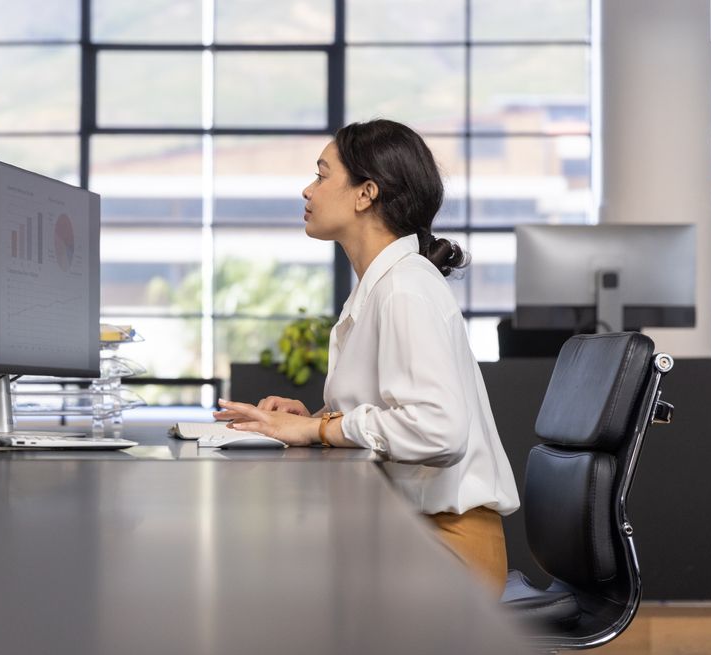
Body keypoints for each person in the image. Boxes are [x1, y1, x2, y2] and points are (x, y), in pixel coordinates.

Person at [214, 119, 520, 594]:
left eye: (320, 175)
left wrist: (320, 429)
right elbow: (390, 414)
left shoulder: (404, 289)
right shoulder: (383, 286)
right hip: (411, 531)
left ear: (365, 194)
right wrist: (312, 421)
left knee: (262, 578)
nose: (306, 189)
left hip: (447, 548)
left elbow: (437, 429)